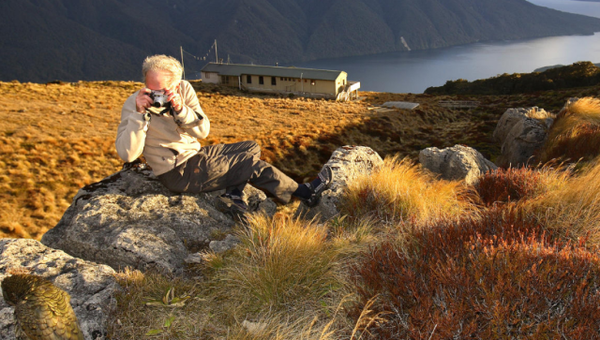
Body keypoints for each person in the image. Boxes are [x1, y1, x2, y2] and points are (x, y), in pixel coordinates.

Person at [116, 55, 332, 213]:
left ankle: (233, 195)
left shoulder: (185, 90)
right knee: (248, 162)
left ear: (177, 84)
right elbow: (128, 155)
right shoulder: (135, 104)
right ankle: (304, 193)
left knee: (251, 147)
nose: (157, 96)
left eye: (163, 90)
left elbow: (203, 131)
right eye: (151, 89)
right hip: (178, 172)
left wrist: (181, 110)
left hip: (195, 157)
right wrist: (139, 115)